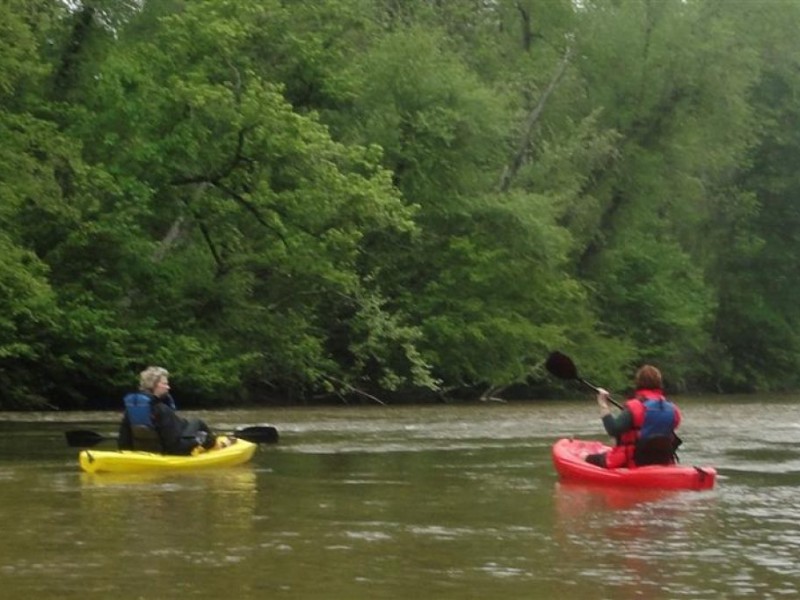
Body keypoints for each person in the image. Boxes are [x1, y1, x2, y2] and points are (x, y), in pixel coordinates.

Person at [585, 364, 681, 469]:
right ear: (659, 383)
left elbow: (613, 429)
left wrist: (602, 403)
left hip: (632, 461)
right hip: (664, 461)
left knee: (585, 458)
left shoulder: (635, 406)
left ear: (638, 383)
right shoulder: (673, 409)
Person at [117, 366, 217, 455]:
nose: (168, 387)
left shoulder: (132, 408)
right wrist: (199, 440)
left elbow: (123, 441)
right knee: (197, 422)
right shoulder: (161, 409)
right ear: (154, 385)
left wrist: (126, 454)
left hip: (145, 451)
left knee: (187, 423)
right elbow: (175, 447)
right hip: (172, 451)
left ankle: (208, 440)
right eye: (165, 384)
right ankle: (212, 443)